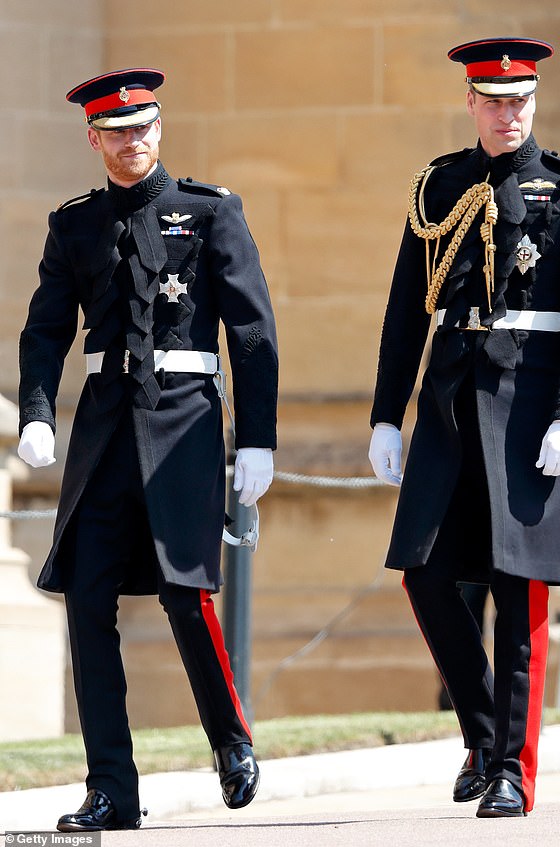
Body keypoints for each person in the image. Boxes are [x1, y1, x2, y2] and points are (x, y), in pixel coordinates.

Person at [17, 68, 278, 832]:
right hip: (103, 435)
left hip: (184, 427)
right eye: (117, 130)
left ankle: (231, 743)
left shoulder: (209, 212)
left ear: (158, 128)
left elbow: (253, 334)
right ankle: (111, 788)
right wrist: (37, 409)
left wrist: (256, 440)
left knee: (184, 592)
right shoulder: (73, 225)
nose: (133, 141)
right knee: (87, 601)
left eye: (144, 127)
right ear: (93, 138)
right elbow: (44, 328)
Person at [369, 38, 560, 817]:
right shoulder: (439, 186)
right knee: (426, 571)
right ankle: (481, 732)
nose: (507, 114)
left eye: (519, 101)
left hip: (531, 403)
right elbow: (408, 306)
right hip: (447, 401)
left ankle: (511, 767)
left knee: (520, 589)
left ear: (533, 102)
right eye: (492, 100)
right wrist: (384, 412)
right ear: (471, 102)